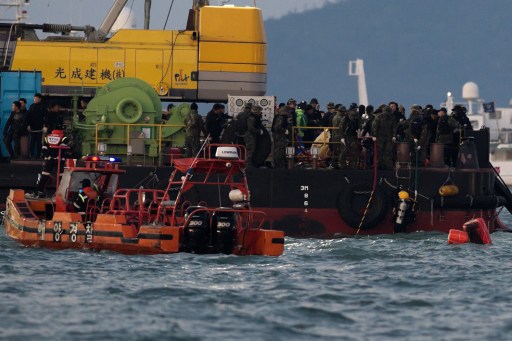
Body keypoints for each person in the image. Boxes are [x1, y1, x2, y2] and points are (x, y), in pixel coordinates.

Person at [28, 129, 70, 198]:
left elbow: (44, 149)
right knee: (61, 177)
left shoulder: (47, 138)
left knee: (44, 176)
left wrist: (49, 156)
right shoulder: (64, 138)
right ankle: (60, 195)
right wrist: (56, 156)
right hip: (59, 160)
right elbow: (63, 149)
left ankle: (40, 192)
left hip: (49, 159)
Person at [27, 93, 46, 159]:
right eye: (34, 98)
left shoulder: (43, 107)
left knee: (39, 142)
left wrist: (44, 126)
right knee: (32, 142)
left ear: (40, 99)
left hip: (40, 128)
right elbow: (28, 116)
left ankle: (39, 155)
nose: (35, 99)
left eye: (36, 98)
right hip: (32, 128)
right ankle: (31, 155)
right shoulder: (31, 106)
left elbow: (45, 117)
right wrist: (28, 125)